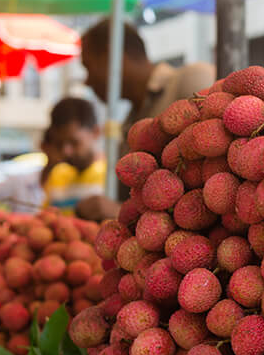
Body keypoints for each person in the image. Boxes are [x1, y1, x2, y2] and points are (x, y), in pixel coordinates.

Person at [74, 18, 216, 220]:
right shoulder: (127, 125)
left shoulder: (191, 79)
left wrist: (116, 211)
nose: (87, 81)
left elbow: (214, 180)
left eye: (88, 67)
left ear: (110, 56)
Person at [42, 97, 107, 214]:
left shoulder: (112, 176)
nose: (66, 151)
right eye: (60, 143)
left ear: (96, 132)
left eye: (74, 142)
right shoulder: (56, 175)